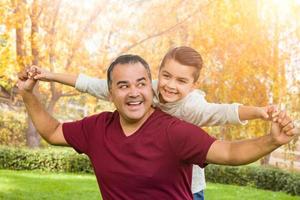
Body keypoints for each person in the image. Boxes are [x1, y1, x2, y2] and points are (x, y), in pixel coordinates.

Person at [18, 54, 296, 200]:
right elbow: (53, 132)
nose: (134, 92)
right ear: (110, 93)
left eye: (141, 83)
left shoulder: (174, 131)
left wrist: (270, 141)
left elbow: (229, 153)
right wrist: (29, 94)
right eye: (123, 86)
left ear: (151, 88)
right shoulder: (96, 128)